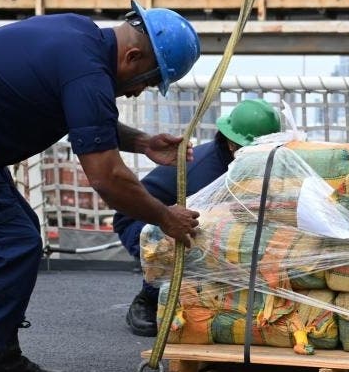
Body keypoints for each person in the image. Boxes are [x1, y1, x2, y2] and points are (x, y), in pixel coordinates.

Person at [0, 0, 203, 372]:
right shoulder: (87, 70)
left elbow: (85, 115)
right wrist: (164, 217)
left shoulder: (77, 38)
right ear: (133, 57)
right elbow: (105, 177)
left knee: (19, 233)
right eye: (147, 81)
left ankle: (0, 358)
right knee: (9, 245)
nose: (138, 91)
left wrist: (140, 142)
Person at [115, 98, 282, 336]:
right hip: (140, 220)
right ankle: (149, 297)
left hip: (174, 215)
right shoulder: (207, 172)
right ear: (231, 143)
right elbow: (205, 224)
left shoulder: (240, 164)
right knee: (185, 239)